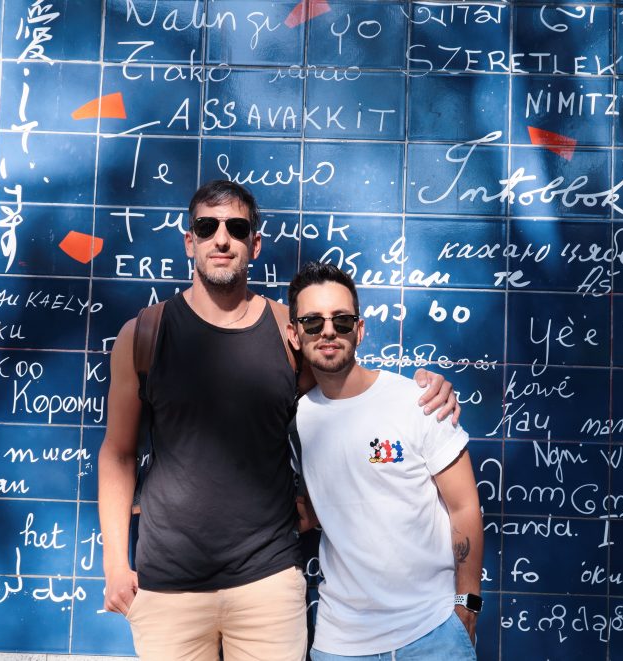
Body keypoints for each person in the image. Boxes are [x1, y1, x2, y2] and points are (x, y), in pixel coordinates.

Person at [97, 180, 460, 661]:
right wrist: (115, 566)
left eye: (236, 227)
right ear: (190, 242)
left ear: (255, 243)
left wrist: (425, 386)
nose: (221, 239)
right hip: (168, 587)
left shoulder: (288, 331)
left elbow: (349, 383)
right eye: (206, 227)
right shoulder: (144, 333)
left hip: (269, 584)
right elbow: (118, 453)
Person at [287, 262, 484, 660]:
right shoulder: (296, 420)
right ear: (295, 334)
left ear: (360, 330)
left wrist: (468, 607)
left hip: (432, 635)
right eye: (312, 321)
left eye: (342, 321)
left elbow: (464, 507)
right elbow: (311, 511)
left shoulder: (419, 401)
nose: (328, 331)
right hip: (340, 644)